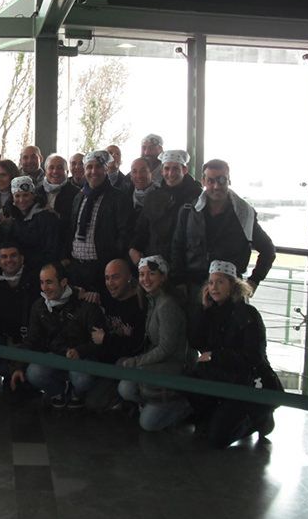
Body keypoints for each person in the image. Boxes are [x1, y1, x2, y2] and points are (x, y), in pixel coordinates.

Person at [187, 260, 282, 448]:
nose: (214, 287)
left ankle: (258, 418)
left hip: (244, 380)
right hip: (219, 376)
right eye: (211, 282)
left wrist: (215, 356)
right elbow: (195, 341)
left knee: (217, 439)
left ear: (233, 285)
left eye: (220, 282)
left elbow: (253, 357)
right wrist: (203, 311)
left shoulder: (248, 314)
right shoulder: (210, 312)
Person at [170, 159, 276, 302]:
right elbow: (177, 247)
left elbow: (268, 250)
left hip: (230, 293)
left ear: (229, 180)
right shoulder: (189, 211)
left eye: (222, 180)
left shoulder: (244, 215)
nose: (216, 186)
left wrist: (254, 281)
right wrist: (179, 281)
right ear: (203, 181)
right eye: (211, 181)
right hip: (194, 289)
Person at [10, 262, 104, 408]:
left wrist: (79, 351)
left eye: (49, 282)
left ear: (63, 282)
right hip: (54, 357)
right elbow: (32, 339)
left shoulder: (86, 304)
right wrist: (19, 366)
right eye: (42, 282)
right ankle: (58, 391)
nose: (44, 288)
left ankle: (77, 393)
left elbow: (98, 343)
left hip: (82, 359)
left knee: (82, 379)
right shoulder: (39, 306)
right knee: (34, 373)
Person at [117, 256, 193, 431]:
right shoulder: (152, 300)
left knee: (148, 423)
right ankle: (153, 404)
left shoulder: (167, 305)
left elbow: (166, 348)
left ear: (163, 276)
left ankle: (182, 404)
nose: (145, 279)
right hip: (159, 362)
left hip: (174, 364)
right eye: (142, 274)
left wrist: (137, 362)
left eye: (151, 274)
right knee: (125, 387)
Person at [80, 258, 146, 410]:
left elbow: (137, 345)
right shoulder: (104, 297)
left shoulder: (141, 304)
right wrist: (88, 295)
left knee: (100, 399)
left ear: (129, 277)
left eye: (115, 277)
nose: (110, 283)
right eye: (107, 278)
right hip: (106, 362)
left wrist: (106, 339)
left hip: (129, 363)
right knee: (90, 397)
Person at [66, 150, 132, 298]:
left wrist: (112, 259)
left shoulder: (119, 198)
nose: (93, 171)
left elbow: (124, 233)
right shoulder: (79, 196)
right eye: (89, 167)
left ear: (106, 169)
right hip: (77, 267)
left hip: (103, 268)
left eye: (98, 167)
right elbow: (72, 229)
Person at [130, 149, 201, 266]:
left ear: (185, 170)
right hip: (155, 264)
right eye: (167, 168)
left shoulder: (197, 197)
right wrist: (134, 247)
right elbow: (142, 227)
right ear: (162, 171)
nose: (170, 173)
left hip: (185, 264)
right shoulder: (153, 196)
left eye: (175, 169)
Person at [4, 175, 60, 275]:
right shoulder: (14, 219)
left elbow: (52, 251)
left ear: (33, 195)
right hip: (22, 272)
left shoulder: (46, 217)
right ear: (12, 198)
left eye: (25, 195)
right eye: (17, 196)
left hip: (42, 271)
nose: (21, 200)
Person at [35, 154, 79, 255]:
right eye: (51, 167)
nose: (55, 171)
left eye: (60, 168)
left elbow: (76, 223)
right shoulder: (36, 192)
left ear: (67, 172)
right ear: (45, 171)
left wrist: (57, 215)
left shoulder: (76, 194)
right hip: (39, 248)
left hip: (65, 249)